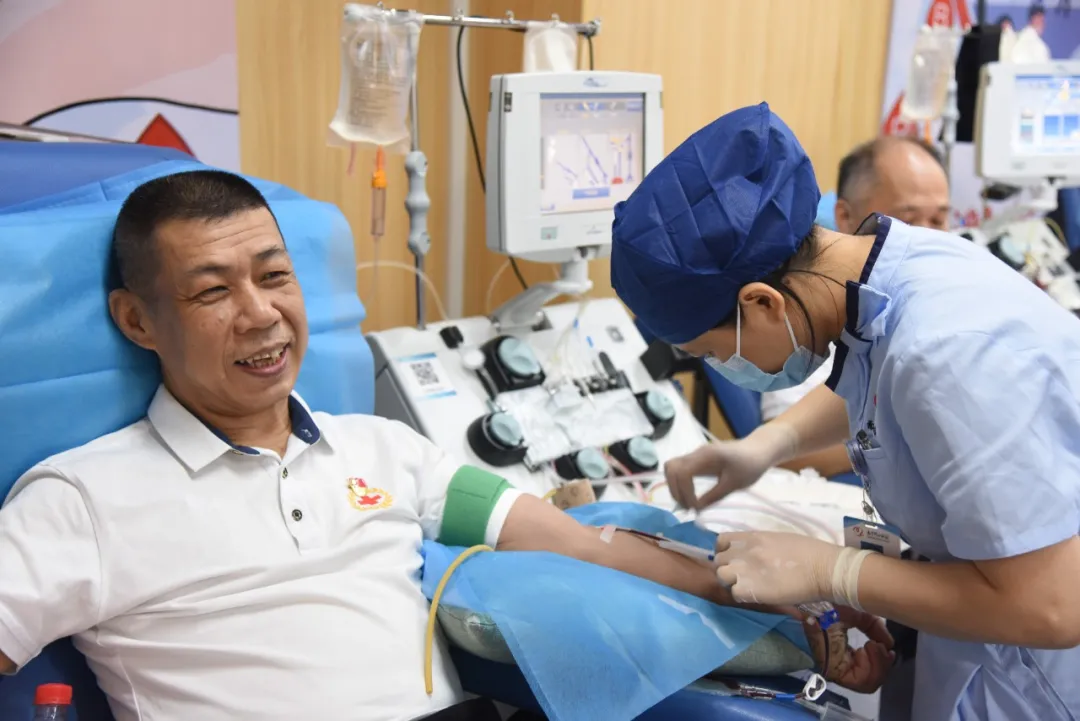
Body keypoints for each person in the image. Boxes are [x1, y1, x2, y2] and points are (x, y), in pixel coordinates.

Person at [0, 170, 888, 721]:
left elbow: (581, 544)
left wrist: (802, 607)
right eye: (211, 292)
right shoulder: (83, 499)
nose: (261, 313)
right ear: (136, 320)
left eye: (275, 276)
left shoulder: (385, 453)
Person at [611, 102, 1080, 720]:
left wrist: (836, 572)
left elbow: (1051, 607)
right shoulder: (885, 266)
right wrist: (767, 445)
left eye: (711, 352)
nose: (722, 365)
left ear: (762, 303)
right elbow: (880, 379)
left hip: (1038, 675)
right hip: (975, 632)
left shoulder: (949, 353)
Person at [760, 136, 951, 479]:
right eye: (908, 219)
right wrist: (908, 447)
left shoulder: (961, 299)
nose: (926, 238)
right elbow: (790, 454)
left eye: (938, 220)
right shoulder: (821, 314)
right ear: (845, 216)